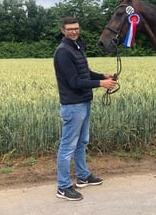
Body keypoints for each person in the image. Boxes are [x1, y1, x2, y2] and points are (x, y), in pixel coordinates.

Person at [53, 16, 117, 201]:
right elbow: (74, 82)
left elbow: (84, 73)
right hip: (73, 105)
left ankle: (82, 176)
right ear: (63, 31)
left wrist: (103, 75)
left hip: (84, 102)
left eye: (76, 28)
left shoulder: (77, 47)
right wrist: (102, 83)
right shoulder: (63, 52)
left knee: (82, 142)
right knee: (67, 147)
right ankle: (63, 187)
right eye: (70, 29)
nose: (74, 31)